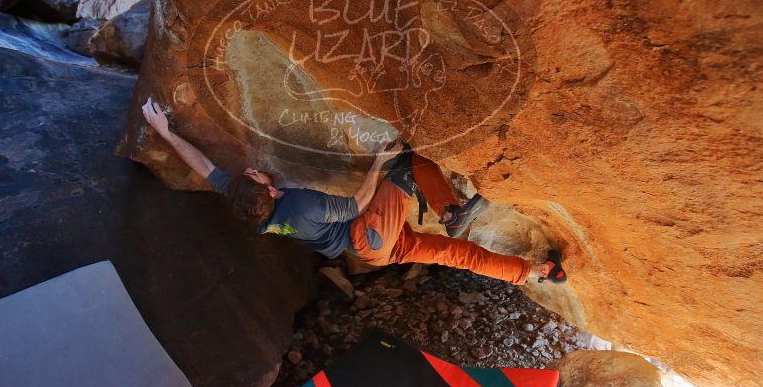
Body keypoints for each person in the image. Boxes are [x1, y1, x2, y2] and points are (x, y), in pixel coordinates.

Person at [141, 97, 562, 285]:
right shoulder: (301, 206)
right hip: (368, 232)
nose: (252, 170)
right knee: (404, 161)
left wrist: (165, 132)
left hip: (375, 246)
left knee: (458, 256)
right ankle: (450, 213)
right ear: (268, 195)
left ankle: (533, 273)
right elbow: (358, 203)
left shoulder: (253, 208)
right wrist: (378, 163)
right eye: (255, 177)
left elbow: (206, 169)